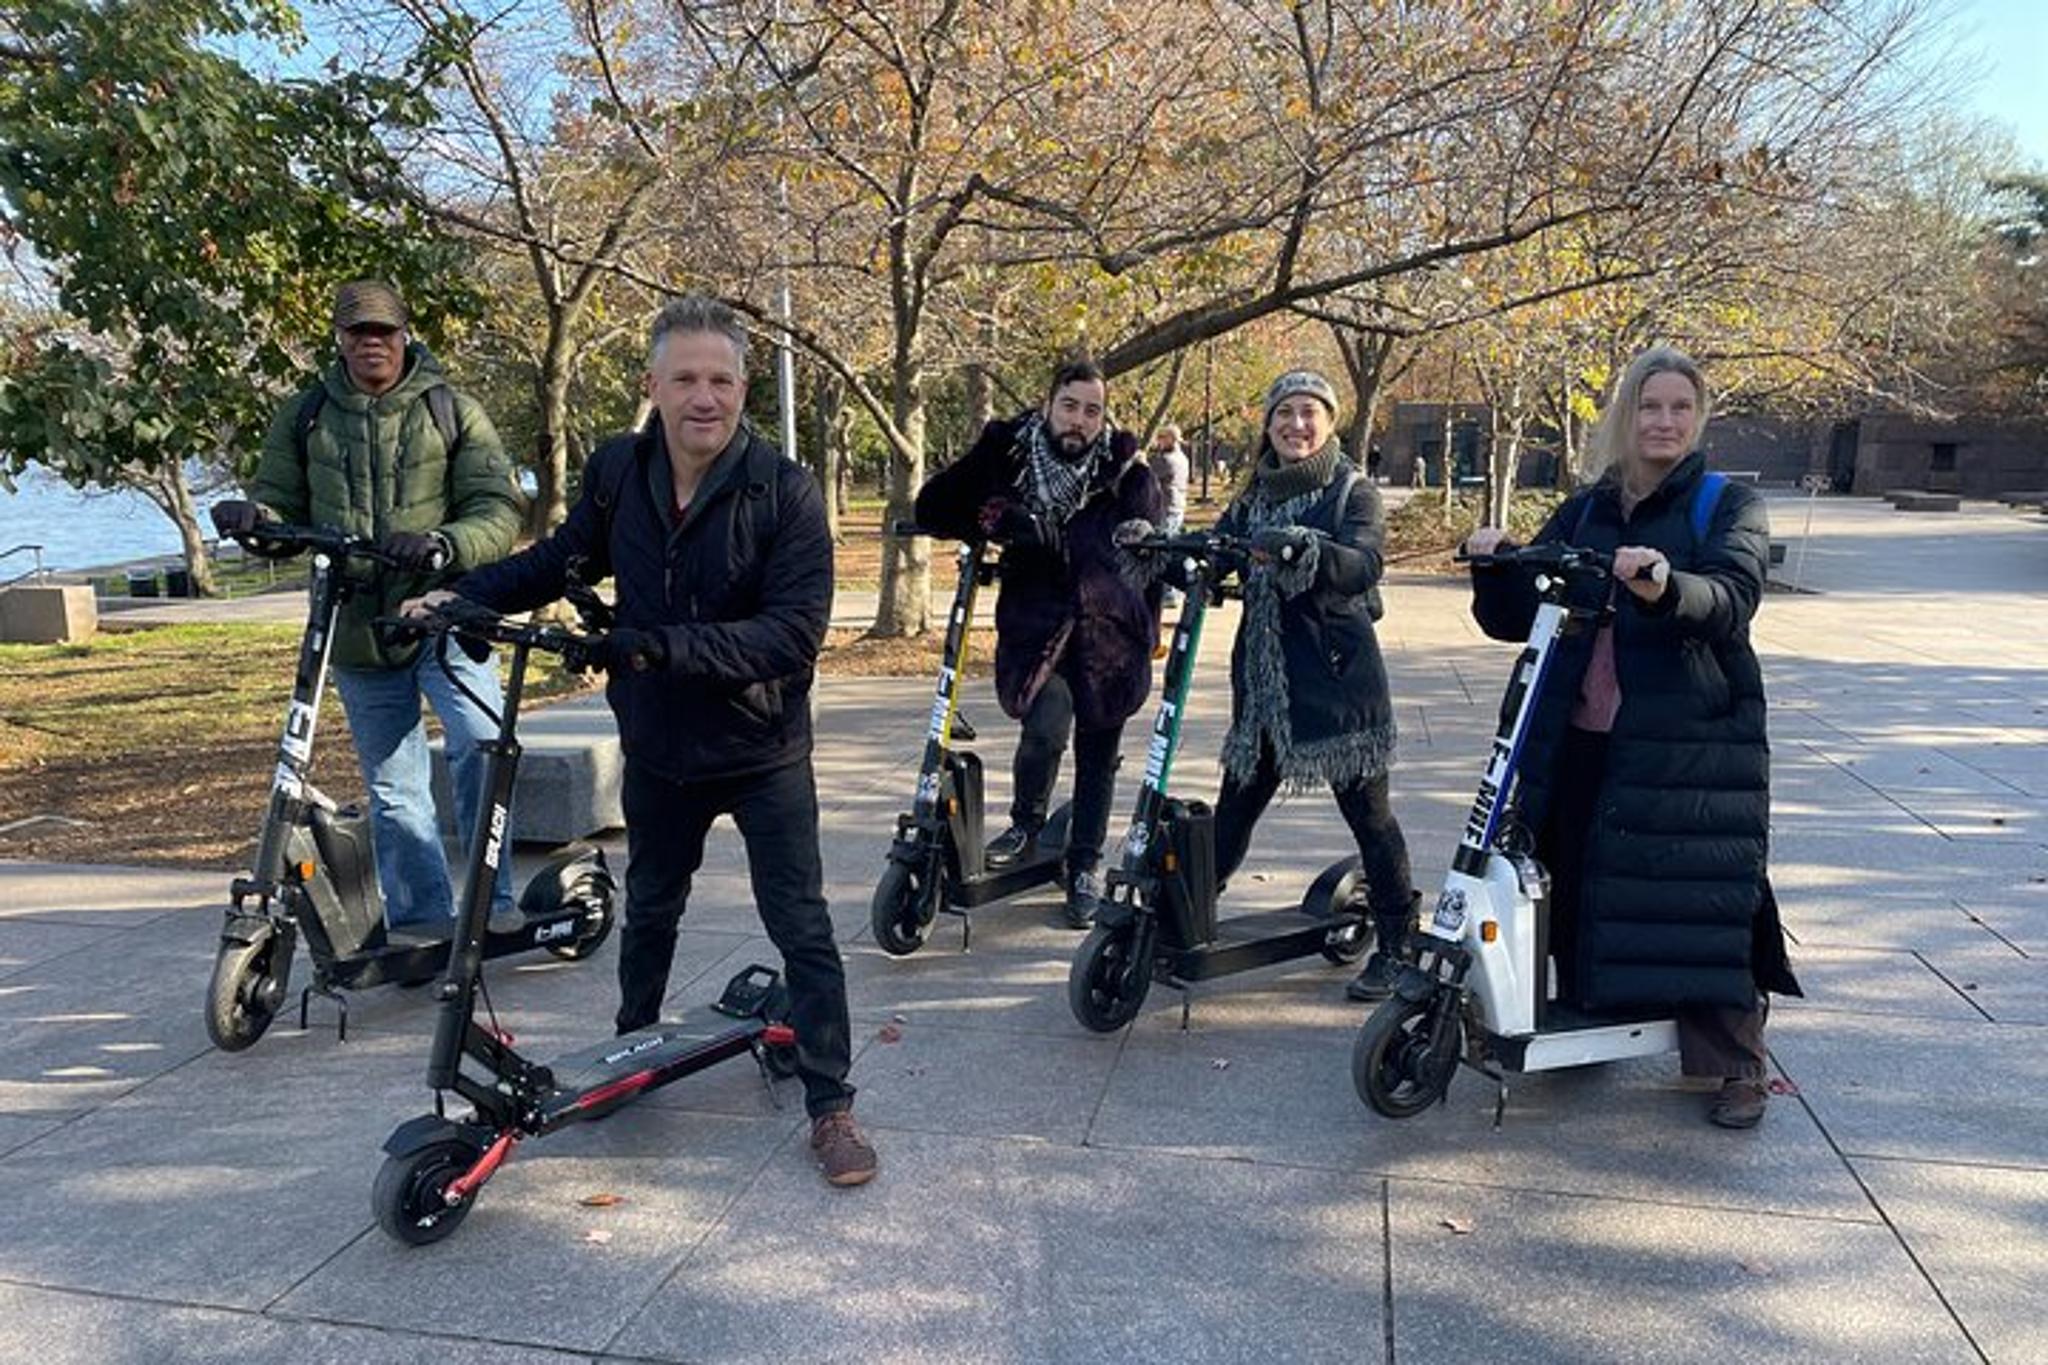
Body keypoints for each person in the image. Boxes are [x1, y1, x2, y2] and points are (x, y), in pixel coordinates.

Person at [409, 295, 876, 1186]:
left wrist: (659, 644)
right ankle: (632, 1049)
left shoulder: (783, 488)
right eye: (687, 378)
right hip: (659, 743)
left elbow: (791, 634)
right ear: (653, 385)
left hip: (761, 748)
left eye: (723, 380)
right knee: (653, 903)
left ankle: (831, 1104)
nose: (707, 397)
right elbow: (561, 560)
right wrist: (464, 596)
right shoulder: (621, 469)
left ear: (743, 389)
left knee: (802, 925)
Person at [1463, 345, 1799, 1129]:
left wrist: (1663, 584)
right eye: (1651, 406)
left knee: (1706, 893)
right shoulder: (1587, 506)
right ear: (1625, 415)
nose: (1665, 421)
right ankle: (1594, 1015)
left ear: (1699, 416)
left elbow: (1732, 596)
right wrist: (1495, 565)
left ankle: (1736, 1063)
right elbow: (1515, 615)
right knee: (1572, 871)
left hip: (1686, 740)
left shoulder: (1726, 506)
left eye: (1681, 407)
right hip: (1578, 725)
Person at [211, 280, 521, 929]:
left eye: (384, 330)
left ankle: (493, 908)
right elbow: (280, 506)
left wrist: (442, 544)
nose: (372, 342)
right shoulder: (306, 416)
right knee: (395, 791)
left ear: (406, 334)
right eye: (359, 332)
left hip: (445, 616)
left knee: (482, 745)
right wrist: (255, 519)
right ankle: (421, 922)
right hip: (356, 628)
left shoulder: (451, 410)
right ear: (340, 339)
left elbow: (498, 509)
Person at [913, 361, 1163, 929]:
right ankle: (1027, 820)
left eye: (1092, 411)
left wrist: (1145, 630)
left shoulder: (1128, 475)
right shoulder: (1009, 457)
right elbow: (933, 509)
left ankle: (1084, 865)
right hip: (1037, 628)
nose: (1079, 421)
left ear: (1105, 416)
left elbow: (1146, 559)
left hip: (1108, 637)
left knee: (1098, 756)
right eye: (1070, 406)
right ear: (1048, 405)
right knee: (1046, 726)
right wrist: (998, 518)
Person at [1204, 370, 1417, 1000]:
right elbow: (1219, 549)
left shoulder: (1354, 490)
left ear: (1329, 422)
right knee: (1232, 811)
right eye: (1284, 414)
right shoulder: (1253, 497)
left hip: (1336, 682)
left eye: (1309, 414)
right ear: (1268, 425)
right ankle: (1189, 914)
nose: (1297, 426)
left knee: (1370, 819)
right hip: (1266, 690)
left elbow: (1362, 564)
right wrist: (1168, 550)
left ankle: (1400, 942)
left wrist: (1308, 550)